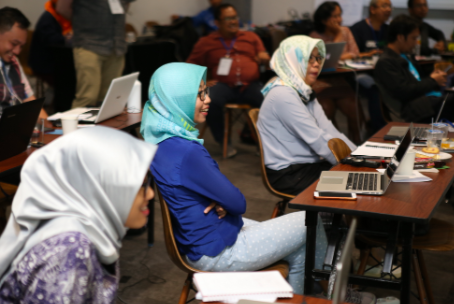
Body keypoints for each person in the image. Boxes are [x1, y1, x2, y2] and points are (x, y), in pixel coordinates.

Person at [140, 62, 327, 294]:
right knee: (312, 220)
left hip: (197, 241)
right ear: (176, 99)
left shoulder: (159, 140)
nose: (207, 99)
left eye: (205, 91)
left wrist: (220, 202)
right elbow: (238, 203)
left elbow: (196, 192)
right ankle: (325, 291)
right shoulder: (188, 151)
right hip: (219, 251)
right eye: (199, 94)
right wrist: (226, 204)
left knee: (298, 246)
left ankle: (309, 294)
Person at [0, 126, 157, 302]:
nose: (150, 194)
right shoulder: (70, 248)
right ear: (100, 187)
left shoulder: (80, 227)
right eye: (139, 186)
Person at [258, 36, 356, 196]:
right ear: (292, 60)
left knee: (362, 181)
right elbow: (317, 140)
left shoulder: (302, 90)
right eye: (308, 59)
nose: (317, 63)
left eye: (318, 58)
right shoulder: (283, 94)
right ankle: (337, 221)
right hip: (291, 174)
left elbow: (330, 131)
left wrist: (359, 155)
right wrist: (354, 165)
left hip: (309, 165)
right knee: (358, 186)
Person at [186, 3, 270, 156]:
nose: (233, 21)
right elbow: (190, 67)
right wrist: (202, 83)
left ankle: (265, 144)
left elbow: (264, 56)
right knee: (208, 99)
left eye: (235, 17)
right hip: (223, 85)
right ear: (217, 23)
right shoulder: (206, 42)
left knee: (270, 100)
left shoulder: (251, 37)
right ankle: (223, 141)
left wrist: (264, 58)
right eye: (228, 18)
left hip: (250, 85)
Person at [374, 14, 453, 123]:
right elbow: (404, 91)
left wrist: (432, 78)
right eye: (414, 38)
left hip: (425, 101)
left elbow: (417, 81)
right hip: (413, 110)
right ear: (400, 37)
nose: (416, 43)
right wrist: (433, 81)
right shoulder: (385, 62)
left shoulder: (405, 56)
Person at [57, 0, 134, 109]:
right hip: (89, 44)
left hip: (116, 46)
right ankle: (78, 126)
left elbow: (126, 4)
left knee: (110, 98)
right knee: (88, 97)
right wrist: (85, 20)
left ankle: (106, 126)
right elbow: (62, 9)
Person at [309, 2, 364, 143]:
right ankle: (336, 143)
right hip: (321, 81)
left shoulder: (346, 30)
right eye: (334, 16)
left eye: (340, 15)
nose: (339, 20)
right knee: (326, 109)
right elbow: (328, 59)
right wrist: (338, 35)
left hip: (339, 80)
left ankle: (356, 143)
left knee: (354, 108)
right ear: (323, 20)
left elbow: (356, 53)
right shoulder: (315, 37)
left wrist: (341, 55)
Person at [0, 7, 49, 124]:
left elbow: (30, 102)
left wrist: (48, 126)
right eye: (14, 44)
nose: (17, 51)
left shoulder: (14, 62)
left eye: (21, 46)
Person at [350, 0, 392, 132]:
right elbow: (350, 54)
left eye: (390, 6)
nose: (388, 10)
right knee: (375, 88)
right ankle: (379, 129)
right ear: (372, 9)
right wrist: (368, 54)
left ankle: (393, 122)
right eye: (384, 6)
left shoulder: (388, 30)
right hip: (360, 73)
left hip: (381, 71)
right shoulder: (358, 29)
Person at [29, 0, 72, 87]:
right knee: (70, 78)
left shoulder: (57, 17)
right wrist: (67, 38)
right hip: (44, 65)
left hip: (52, 62)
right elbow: (52, 40)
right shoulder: (48, 18)